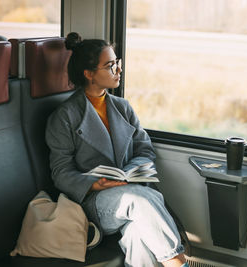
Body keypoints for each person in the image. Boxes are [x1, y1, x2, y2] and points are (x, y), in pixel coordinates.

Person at [46, 32, 188, 267]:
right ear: (89, 74)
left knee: (137, 233)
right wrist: (94, 183)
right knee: (142, 199)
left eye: (117, 64)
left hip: (130, 193)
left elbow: (145, 149)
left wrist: (130, 172)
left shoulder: (122, 108)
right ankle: (177, 263)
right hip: (92, 203)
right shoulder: (64, 117)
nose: (118, 71)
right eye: (110, 66)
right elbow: (60, 173)